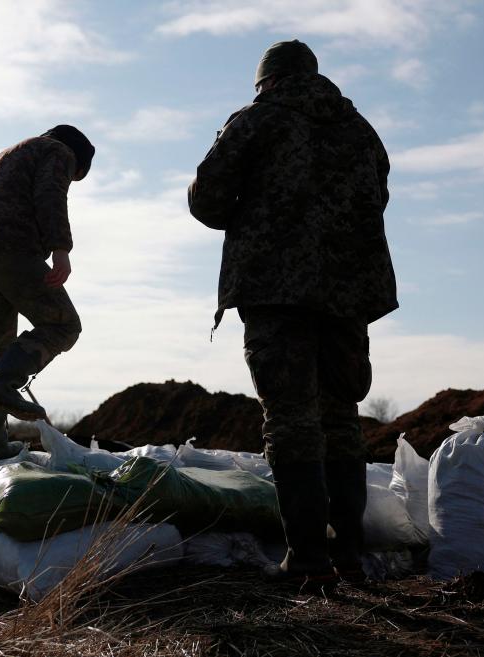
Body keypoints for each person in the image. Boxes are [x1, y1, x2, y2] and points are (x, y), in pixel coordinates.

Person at [188, 40, 398, 590]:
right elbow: (378, 195)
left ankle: (306, 561)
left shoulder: (260, 120)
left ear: (269, 81)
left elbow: (208, 199)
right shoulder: (361, 129)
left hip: (277, 288)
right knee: (340, 418)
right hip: (350, 294)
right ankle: (348, 556)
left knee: (291, 419)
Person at [0, 125, 94, 462]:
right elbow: (50, 194)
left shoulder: (3, 157)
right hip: (11, 246)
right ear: (76, 161)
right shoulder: (58, 151)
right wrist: (60, 248)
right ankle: (5, 384)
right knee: (63, 325)